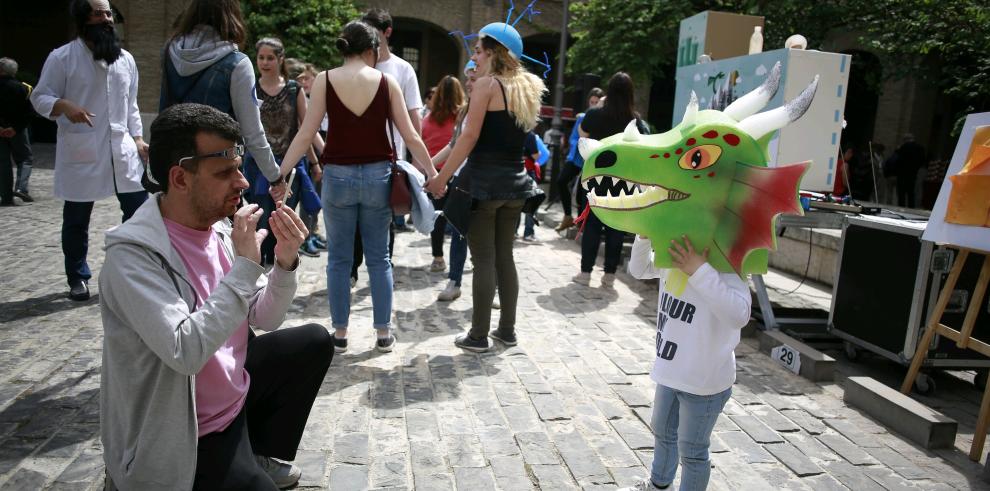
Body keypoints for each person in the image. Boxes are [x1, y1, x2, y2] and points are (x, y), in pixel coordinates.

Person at [99, 103, 333, 490]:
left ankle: (256, 450)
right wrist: (244, 267)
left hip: (233, 398)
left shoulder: (220, 230)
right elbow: (185, 350)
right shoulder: (133, 258)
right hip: (191, 429)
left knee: (312, 341)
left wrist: (283, 263)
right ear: (179, 178)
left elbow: (264, 317)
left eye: (239, 168)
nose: (242, 183)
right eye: (225, 172)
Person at [278, 20, 437, 355]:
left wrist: (280, 172)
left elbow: (306, 133)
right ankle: (382, 333)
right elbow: (410, 135)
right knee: (380, 259)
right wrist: (432, 172)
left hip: (337, 176)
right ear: (372, 49)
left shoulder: (324, 80)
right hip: (379, 177)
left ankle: (340, 332)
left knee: (338, 258)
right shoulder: (386, 81)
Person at [426, 24, 546, 352]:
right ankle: (507, 331)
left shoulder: (487, 86)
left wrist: (441, 178)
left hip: (483, 186)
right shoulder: (529, 86)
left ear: (493, 52)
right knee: (505, 258)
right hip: (516, 185)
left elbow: (468, 137)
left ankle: (478, 335)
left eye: (479, 50)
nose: (475, 55)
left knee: (483, 261)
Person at [30, 0, 149, 301]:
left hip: (122, 150)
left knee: (139, 212)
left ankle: (131, 272)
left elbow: (131, 104)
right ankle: (77, 276)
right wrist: (63, 105)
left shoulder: (125, 60)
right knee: (76, 219)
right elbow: (40, 96)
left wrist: (137, 139)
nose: (106, 19)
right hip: (82, 149)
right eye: (98, 13)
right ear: (84, 19)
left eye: (109, 13)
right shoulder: (62, 58)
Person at [620, 235, 751, 491]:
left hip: (704, 380)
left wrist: (700, 270)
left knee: (692, 451)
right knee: (662, 431)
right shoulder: (676, 248)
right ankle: (659, 484)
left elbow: (739, 314)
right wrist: (645, 236)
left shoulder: (726, 261)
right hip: (671, 370)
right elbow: (639, 268)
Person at [161, 0, 289, 205]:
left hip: (176, 167)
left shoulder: (170, 52)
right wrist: (275, 177)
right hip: (219, 171)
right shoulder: (236, 63)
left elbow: (164, 108)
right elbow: (252, 133)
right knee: (227, 235)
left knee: (177, 233)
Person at [246, 37, 324, 266]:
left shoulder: (293, 89)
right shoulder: (250, 87)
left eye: (270, 57)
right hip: (258, 166)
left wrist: (316, 162)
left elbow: (305, 130)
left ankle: (282, 269)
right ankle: (259, 270)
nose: (265, 62)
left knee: (284, 219)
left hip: (290, 168)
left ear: (280, 59)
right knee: (260, 219)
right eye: (261, 57)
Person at [574, 73, 646, 288]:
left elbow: (582, 134)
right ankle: (609, 276)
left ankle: (585, 273)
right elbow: (641, 144)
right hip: (622, 181)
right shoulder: (635, 120)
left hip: (596, 178)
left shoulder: (595, 114)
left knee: (593, 227)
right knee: (616, 228)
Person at [363, 8, 422, 235]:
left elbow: (414, 115)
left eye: (374, 31)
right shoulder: (355, 66)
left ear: (387, 32)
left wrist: (417, 161)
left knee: (385, 223)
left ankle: (382, 265)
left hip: (391, 158)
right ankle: (354, 270)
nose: (368, 36)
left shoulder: (403, 69)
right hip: (355, 155)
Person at [432, 61, 477, 303]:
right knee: (458, 232)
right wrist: (427, 165)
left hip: (481, 179)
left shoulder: (489, 110)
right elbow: (453, 145)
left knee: (483, 238)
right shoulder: (464, 111)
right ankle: (454, 281)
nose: (469, 83)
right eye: (467, 78)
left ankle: (492, 286)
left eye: (473, 78)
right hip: (462, 179)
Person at [423, 75, 466, 273]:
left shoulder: (429, 119)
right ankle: (466, 259)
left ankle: (438, 258)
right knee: (461, 217)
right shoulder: (463, 118)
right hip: (458, 171)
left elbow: (423, 142)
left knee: (437, 217)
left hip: (435, 170)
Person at [291, 62, 329, 256]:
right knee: (308, 196)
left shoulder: (323, 97)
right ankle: (305, 237)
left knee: (317, 196)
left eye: (307, 78)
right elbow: (306, 131)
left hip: (323, 149)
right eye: (301, 79)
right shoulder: (299, 99)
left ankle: (312, 232)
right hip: (310, 152)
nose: (304, 82)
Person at [555, 87, 602, 231]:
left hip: (592, 159)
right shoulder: (583, 117)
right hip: (577, 157)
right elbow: (574, 137)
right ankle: (568, 216)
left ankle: (582, 222)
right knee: (561, 180)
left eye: (596, 102)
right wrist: (581, 142)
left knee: (584, 190)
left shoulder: (602, 118)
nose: (593, 104)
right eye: (591, 101)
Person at [0, 57, 35, 205]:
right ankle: (21, 189)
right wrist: (15, 128)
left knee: (3, 163)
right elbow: (29, 113)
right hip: (18, 131)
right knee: (25, 159)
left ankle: (6, 197)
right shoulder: (24, 88)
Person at [893, 133, 926, 208]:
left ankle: (901, 206)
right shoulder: (920, 148)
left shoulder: (903, 147)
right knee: (911, 192)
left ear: (905, 140)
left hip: (902, 173)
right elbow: (923, 160)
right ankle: (911, 206)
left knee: (901, 192)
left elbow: (898, 160)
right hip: (913, 173)